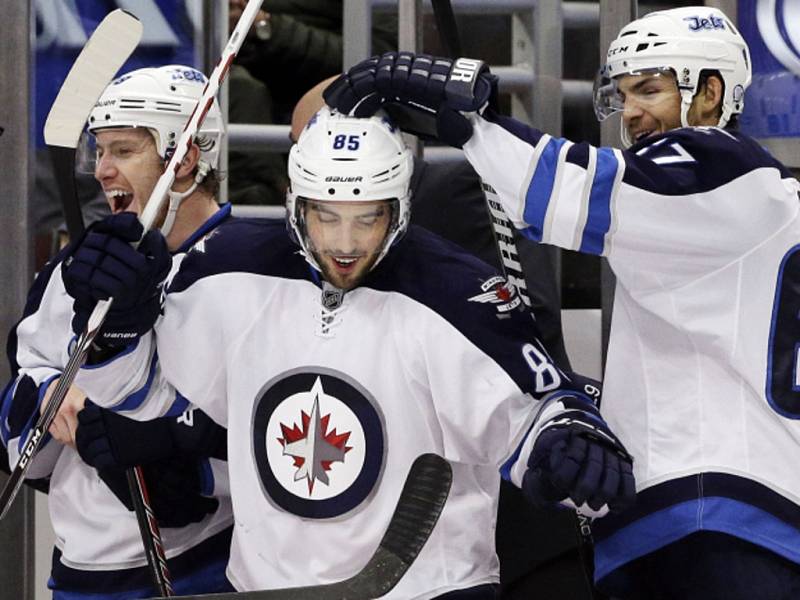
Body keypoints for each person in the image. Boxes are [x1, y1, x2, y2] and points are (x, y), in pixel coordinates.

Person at [323, 6, 800, 600]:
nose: (631, 113)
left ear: (711, 92)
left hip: (721, 521)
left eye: (649, 88)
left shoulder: (717, 165)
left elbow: (563, 190)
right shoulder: (734, 203)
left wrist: (470, 121)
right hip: (701, 517)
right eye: (622, 95)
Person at [65, 107, 635, 598]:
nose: (344, 244)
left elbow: (533, 413)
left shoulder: (457, 292)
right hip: (266, 589)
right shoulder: (224, 270)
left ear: (398, 208)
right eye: (325, 217)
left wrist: (566, 440)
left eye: (368, 219)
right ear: (296, 204)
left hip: (426, 590)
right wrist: (117, 328)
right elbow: (135, 391)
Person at [2, 64, 236, 598]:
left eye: (124, 150)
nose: (103, 171)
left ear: (187, 156)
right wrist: (44, 400)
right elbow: (15, 425)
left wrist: (173, 442)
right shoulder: (71, 273)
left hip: (209, 572)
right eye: (99, 151)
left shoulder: (249, 273)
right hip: (79, 576)